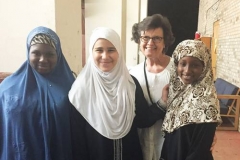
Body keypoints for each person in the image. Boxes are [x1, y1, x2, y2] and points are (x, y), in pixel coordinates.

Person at [68, 27, 166, 160]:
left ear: (119, 51)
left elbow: (142, 119)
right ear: (92, 53)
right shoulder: (80, 90)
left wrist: (162, 102)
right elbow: (77, 139)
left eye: (111, 50)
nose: (105, 56)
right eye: (99, 50)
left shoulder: (130, 84)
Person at [0, 26, 75, 160]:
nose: (42, 59)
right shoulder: (8, 88)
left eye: (50, 54)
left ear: (58, 54)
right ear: (28, 53)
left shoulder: (71, 87)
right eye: (36, 53)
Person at [160, 39, 222, 160]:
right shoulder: (176, 94)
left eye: (195, 65)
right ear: (176, 65)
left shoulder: (207, 100)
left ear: (205, 67)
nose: (187, 70)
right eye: (183, 64)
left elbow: (200, 150)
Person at [130, 14, 175, 160]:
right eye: (145, 37)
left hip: (170, 145)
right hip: (141, 143)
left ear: (165, 41)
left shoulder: (178, 70)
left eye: (156, 38)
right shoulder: (133, 73)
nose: (150, 42)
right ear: (139, 40)